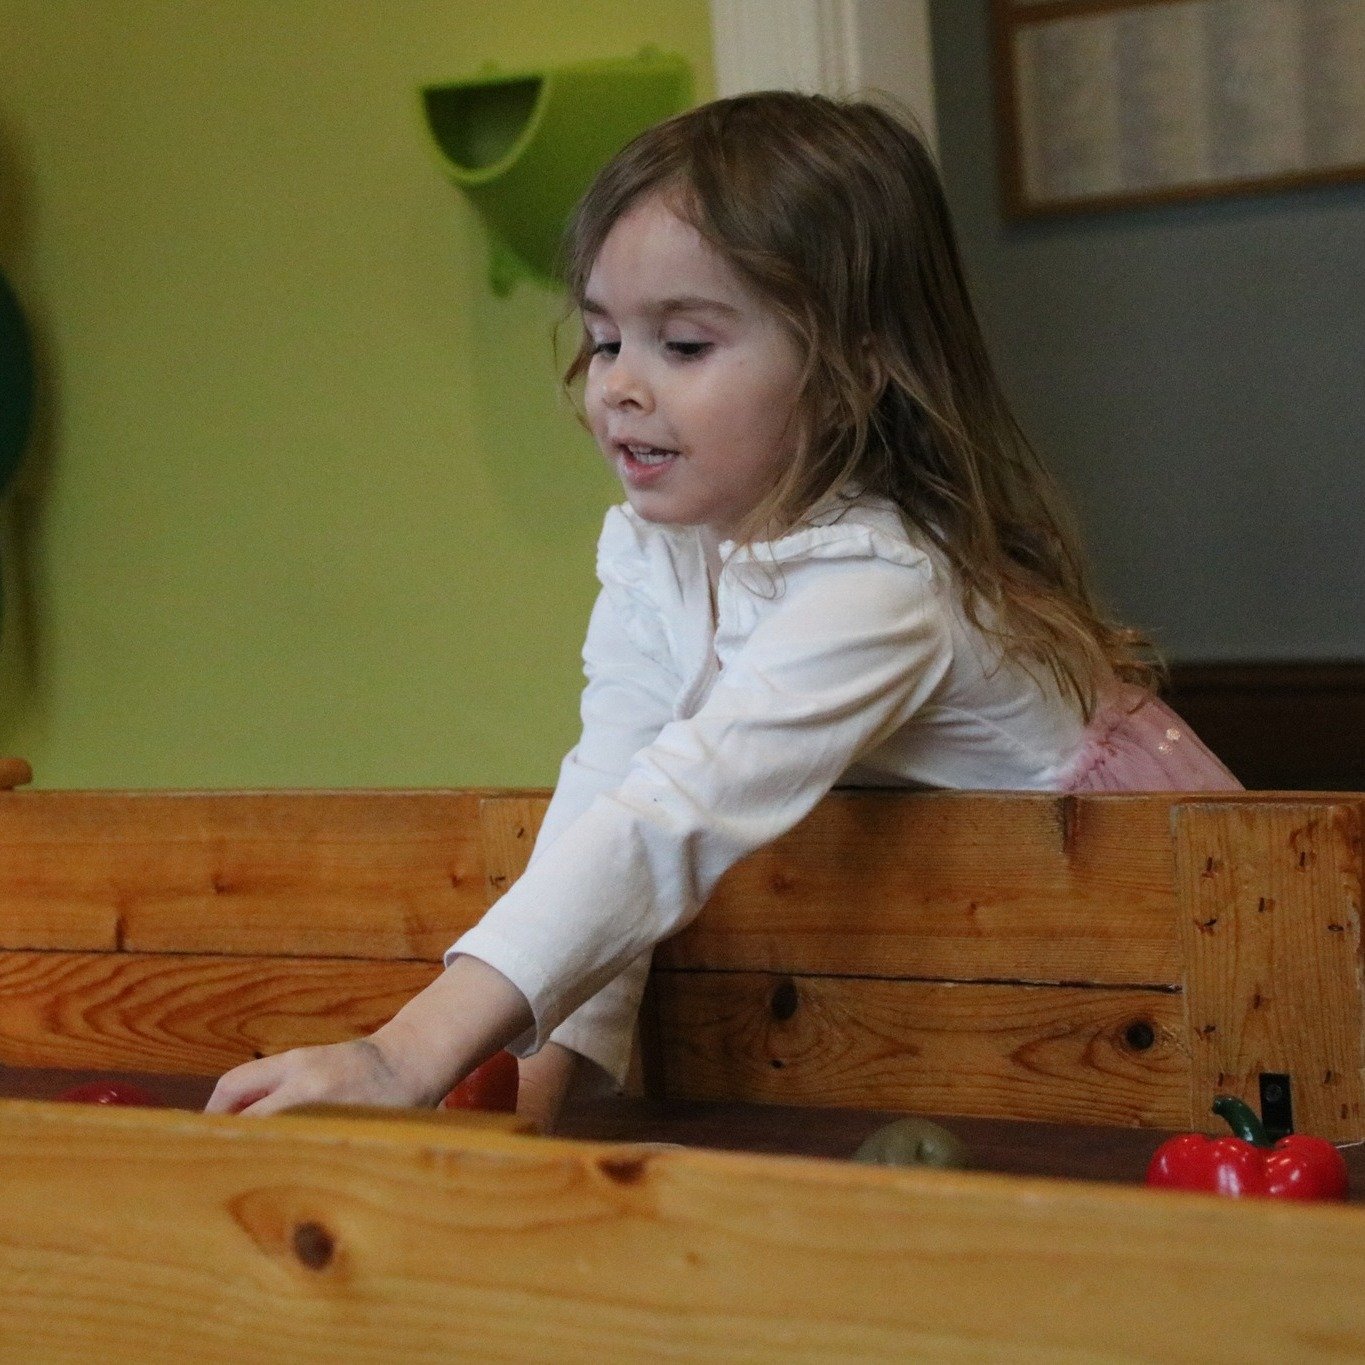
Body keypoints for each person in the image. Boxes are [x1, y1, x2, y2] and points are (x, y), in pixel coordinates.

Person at [206, 92, 1239, 1127]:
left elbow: (675, 820)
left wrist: (402, 1055)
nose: (619, 386)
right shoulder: (657, 552)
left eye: (685, 345)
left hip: (1186, 930)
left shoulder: (880, 586)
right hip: (992, 972)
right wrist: (534, 1092)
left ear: (852, 370)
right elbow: (612, 800)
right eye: (605, 340)